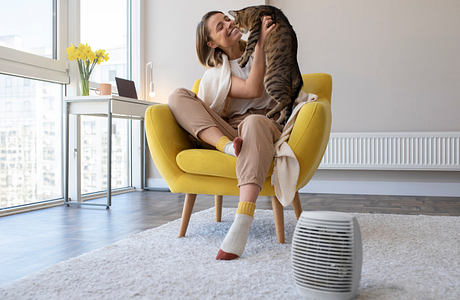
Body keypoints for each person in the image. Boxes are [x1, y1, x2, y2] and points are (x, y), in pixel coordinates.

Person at [168, 11, 279, 260]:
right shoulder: (217, 74)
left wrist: (261, 43)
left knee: (253, 122)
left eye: (228, 19)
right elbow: (252, 88)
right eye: (220, 26)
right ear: (212, 43)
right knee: (177, 95)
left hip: (266, 124)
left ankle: (243, 219)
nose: (229, 24)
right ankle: (226, 146)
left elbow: (262, 87)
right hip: (231, 131)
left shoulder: (265, 49)